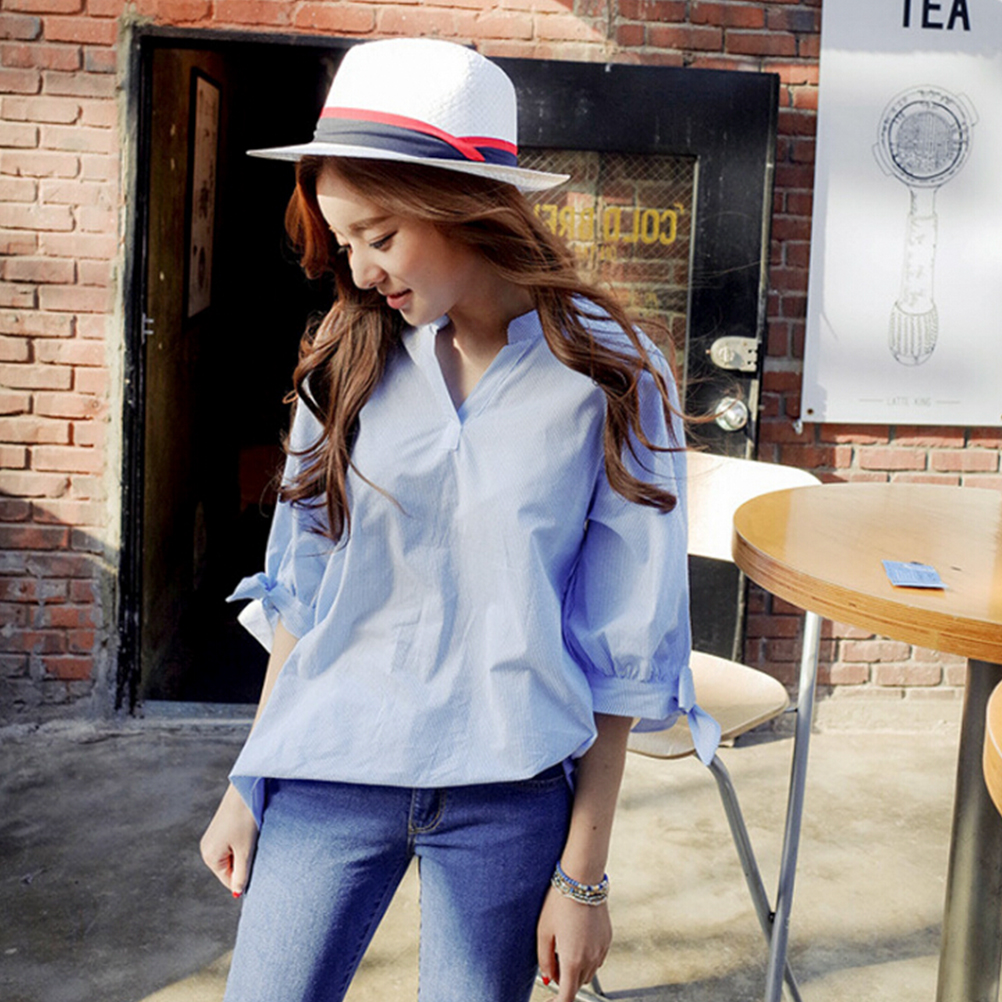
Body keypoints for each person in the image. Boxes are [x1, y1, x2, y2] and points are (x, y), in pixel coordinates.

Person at [200, 37, 719, 1002]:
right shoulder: (347, 357)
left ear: (463, 203)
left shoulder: (612, 374)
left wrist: (584, 877)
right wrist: (248, 780)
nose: (360, 272)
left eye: (380, 236)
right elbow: (303, 593)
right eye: (344, 243)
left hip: (508, 789)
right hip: (329, 765)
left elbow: (620, 646)